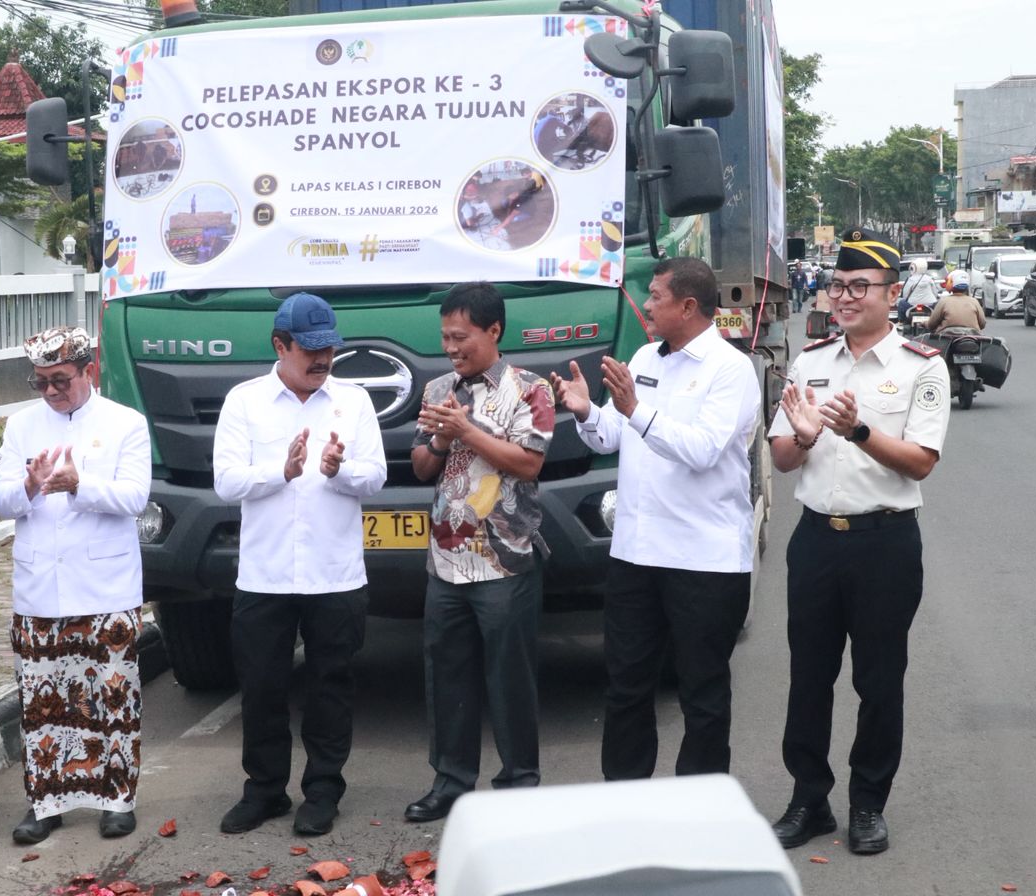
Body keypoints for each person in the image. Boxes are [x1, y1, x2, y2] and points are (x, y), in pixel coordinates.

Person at [766, 227, 950, 856]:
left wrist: (859, 429)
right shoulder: (810, 362)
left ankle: (868, 803)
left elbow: (921, 462)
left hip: (885, 543)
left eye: (858, 287)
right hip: (816, 539)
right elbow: (785, 458)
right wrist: (808, 434)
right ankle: (808, 799)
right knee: (809, 676)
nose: (843, 297)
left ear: (892, 294)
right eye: (837, 285)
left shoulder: (922, 367)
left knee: (879, 679)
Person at [550, 257, 760, 782]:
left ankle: (699, 811)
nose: (646, 305)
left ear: (688, 306)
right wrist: (585, 413)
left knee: (702, 695)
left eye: (656, 297)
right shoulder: (646, 356)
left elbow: (704, 451)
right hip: (637, 556)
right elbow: (614, 437)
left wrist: (635, 409)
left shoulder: (730, 369)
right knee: (625, 688)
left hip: (703, 562)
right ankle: (626, 802)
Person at [211, 293, 387, 837]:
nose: (322, 359)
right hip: (264, 575)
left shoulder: (353, 400)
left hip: (334, 574)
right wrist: (279, 471)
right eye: (309, 350)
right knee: (262, 687)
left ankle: (323, 791)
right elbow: (226, 482)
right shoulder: (245, 401)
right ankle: (265, 791)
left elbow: (376, 477)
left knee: (330, 684)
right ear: (279, 346)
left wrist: (339, 469)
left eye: (328, 348)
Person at [0, 326, 151, 843]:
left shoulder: (126, 423)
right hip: (40, 589)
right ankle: (46, 803)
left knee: (112, 702)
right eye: (41, 382)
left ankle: (117, 799)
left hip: (106, 587)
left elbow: (134, 497)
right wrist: (30, 485)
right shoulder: (21, 425)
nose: (52, 391)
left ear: (89, 370)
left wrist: (81, 485)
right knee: (43, 704)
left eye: (61, 379)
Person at [404, 282, 555, 823]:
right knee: (446, 673)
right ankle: (450, 781)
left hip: (504, 558)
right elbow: (422, 467)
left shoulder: (530, 389)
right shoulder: (438, 387)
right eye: (445, 336)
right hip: (445, 561)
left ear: (493, 331)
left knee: (509, 675)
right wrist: (442, 441)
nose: (450, 347)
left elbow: (528, 463)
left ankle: (519, 782)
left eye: (460, 336)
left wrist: (466, 428)